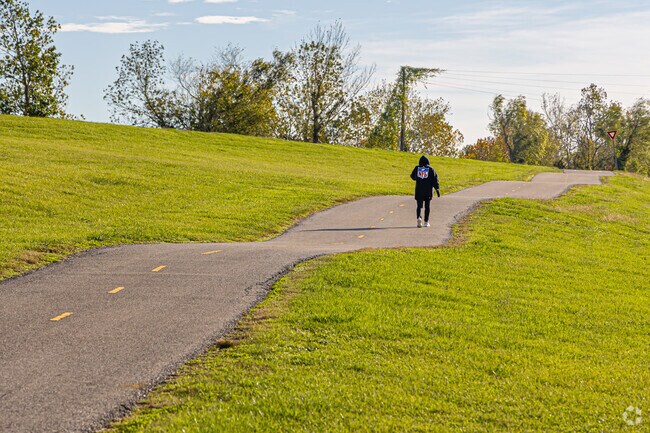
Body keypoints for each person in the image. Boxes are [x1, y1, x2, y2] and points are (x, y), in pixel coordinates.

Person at [410, 155, 440, 228]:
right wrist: (437, 189)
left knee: (419, 206)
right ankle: (426, 222)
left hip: (419, 190)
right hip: (428, 191)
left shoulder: (417, 168)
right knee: (427, 206)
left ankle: (419, 218)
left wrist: (418, 178)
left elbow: (412, 176)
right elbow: (435, 180)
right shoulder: (431, 169)